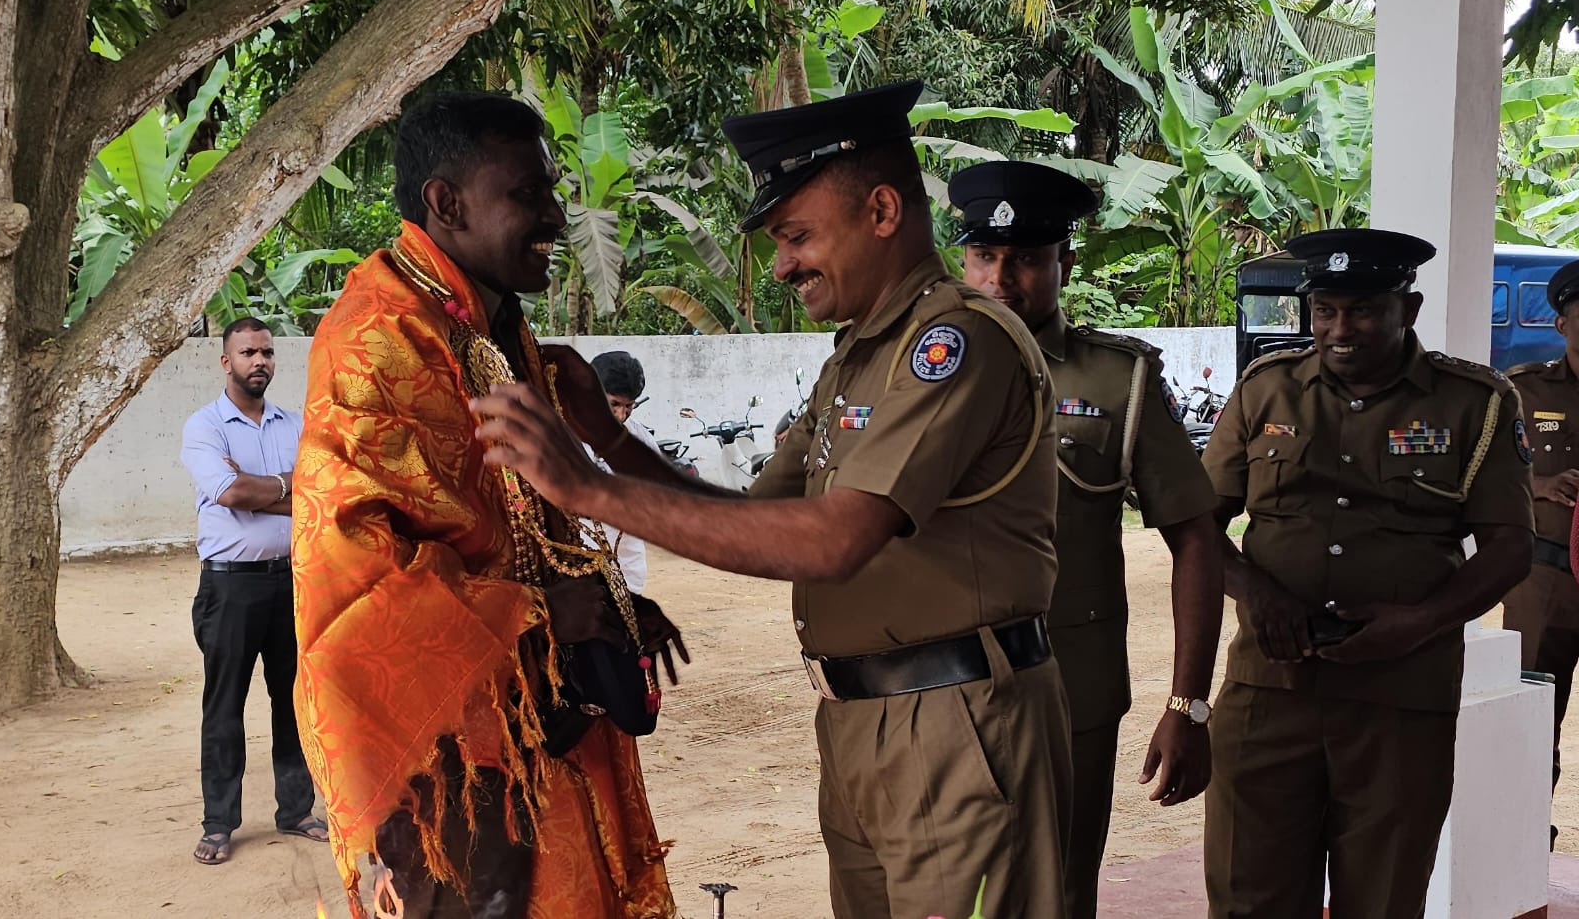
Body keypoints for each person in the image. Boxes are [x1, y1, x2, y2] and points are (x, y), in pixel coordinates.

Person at [471, 80, 1075, 919]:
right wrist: (604, 441)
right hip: (863, 721)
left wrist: (587, 487)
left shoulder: (955, 342)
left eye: (796, 236)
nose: (783, 263)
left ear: (883, 211)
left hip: (954, 724)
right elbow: (752, 517)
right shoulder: (857, 358)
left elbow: (833, 540)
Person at [291, 92, 681, 918]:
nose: (555, 216)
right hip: (444, 755)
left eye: (553, 192)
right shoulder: (378, 338)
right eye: (529, 195)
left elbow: (529, 522)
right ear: (447, 203)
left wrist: (609, 604)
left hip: (539, 721)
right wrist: (543, 612)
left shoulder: (496, 326)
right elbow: (359, 579)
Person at [1200, 228, 1534, 918]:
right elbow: (1196, 526)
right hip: (1270, 690)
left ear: (1406, 310)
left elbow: (1509, 547)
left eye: (1363, 311)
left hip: (1400, 698)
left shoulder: (1475, 402)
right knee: (1248, 897)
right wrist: (1255, 592)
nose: (1339, 329)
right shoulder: (1266, 391)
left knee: (1382, 901)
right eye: (1325, 310)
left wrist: (1419, 622)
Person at [952, 160, 1223, 918]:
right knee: (931, 890)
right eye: (985, 256)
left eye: (1028, 259)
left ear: (1063, 264)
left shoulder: (1119, 381)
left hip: (1069, 692)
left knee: (1057, 895)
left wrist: (1188, 703)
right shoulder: (915, 371)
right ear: (963, 260)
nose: (1003, 278)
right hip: (929, 693)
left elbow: (1195, 538)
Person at [179, 317, 325, 865]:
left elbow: (321, 489)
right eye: (247, 353)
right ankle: (219, 824)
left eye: (266, 352)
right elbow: (231, 490)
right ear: (226, 361)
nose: (259, 361)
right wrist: (289, 487)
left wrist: (265, 489)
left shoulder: (298, 424)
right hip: (230, 589)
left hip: (294, 581)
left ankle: (296, 811)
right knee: (225, 707)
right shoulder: (204, 428)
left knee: (294, 703)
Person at [1505, 258, 1579, 849]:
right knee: (1532, 714)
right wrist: (1540, 486)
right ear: (1562, 323)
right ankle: (1528, 836)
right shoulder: (1525, 390)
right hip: (1544, 580)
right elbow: (1482, 471)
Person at [588, 350, 657, 593]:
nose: (621, 415)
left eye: (629, 407)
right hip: (577, 553)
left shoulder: (640, 438)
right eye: (614, 404)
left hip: (627, 559)